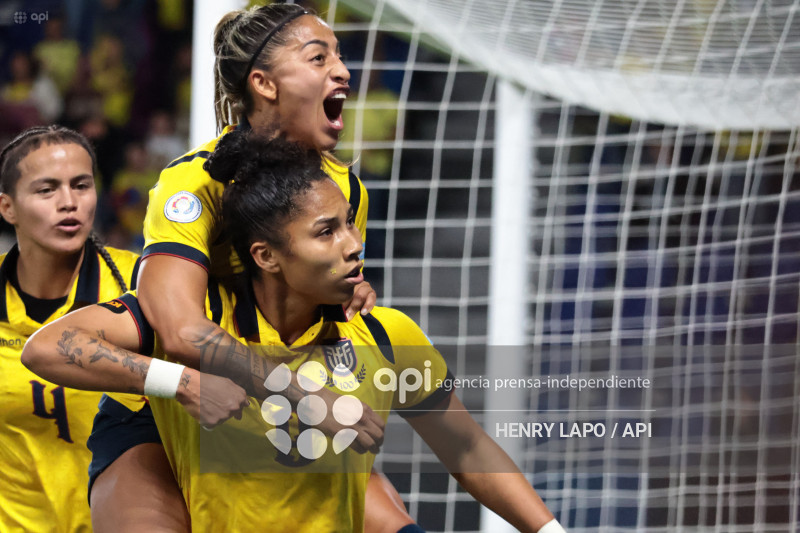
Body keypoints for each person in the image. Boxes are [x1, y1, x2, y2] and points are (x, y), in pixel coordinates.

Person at [23, 132, 565, 533]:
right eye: (327, 231)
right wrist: (184, 383)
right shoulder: (200, 321)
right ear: (267, 256)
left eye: (351, 222)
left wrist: (551, 532)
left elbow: (468, 449)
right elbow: (48, 346)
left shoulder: (383, 333)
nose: (354, 244)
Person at [98, 3, 417, 531]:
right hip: (173, 408)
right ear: (264, 84)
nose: (343, 70)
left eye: (339, 56)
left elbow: (325, 304)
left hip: (284, 400)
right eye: (319, 58)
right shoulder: (191, 187)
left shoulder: (342, 188)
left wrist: (351, 293)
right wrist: (306, 396)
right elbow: (179, 332)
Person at [0, 125, 192, 531]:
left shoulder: (144, 288)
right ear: (7, 207)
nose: (68, 203)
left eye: (81, 185)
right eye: (46, 189)